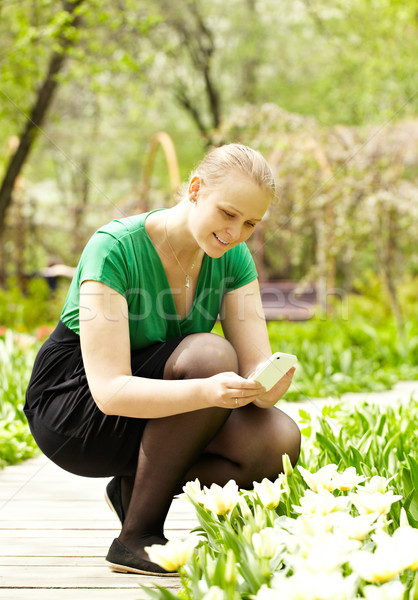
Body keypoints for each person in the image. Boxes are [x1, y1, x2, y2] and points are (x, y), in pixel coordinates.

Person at [24, 143, 301, 576]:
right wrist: (208, 390)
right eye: (228, 214)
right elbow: (111, 391)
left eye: (250, 223)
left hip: (163, 408)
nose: (236, 233)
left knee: (275, 440)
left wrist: (267, 385)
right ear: (195, 189)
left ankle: (135, 490)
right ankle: (138, 535)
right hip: (76, 410)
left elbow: (254, 366)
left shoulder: (233, 259)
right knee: (211, 354)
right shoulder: (114, 248)